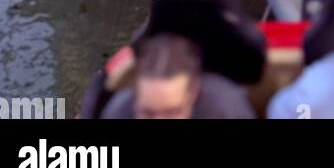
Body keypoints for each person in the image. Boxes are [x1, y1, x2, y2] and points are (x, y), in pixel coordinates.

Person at [101, 35, 255, 120]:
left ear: (193, 93)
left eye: (172, 112)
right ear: (134, 97)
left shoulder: (227, 109)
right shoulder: (118, 112)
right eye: (147, 113)